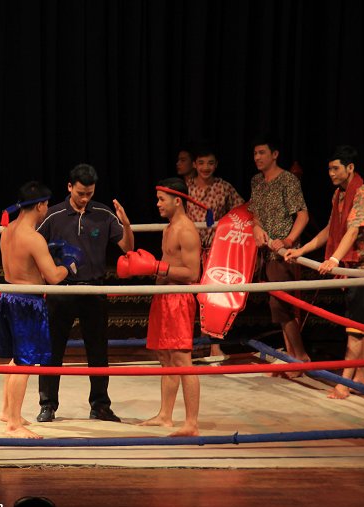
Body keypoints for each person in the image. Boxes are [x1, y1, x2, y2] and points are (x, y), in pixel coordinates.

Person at [284, 145, 364, 398]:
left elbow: (352, 230)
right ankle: (361, 379)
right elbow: (331, 229)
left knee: (355, 327)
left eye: (335, 168)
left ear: (350, 168)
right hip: (352, 269)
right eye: (329, 168)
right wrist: (302, 250)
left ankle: (344, 383)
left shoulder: (362, 193)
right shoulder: (339, 195)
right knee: (362, 326)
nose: (331, 173)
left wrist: (334, 258)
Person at [36, 164, 134, 423]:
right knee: (52, 351)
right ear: (69, 187)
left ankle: (100, 405)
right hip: (61, 291)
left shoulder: (103, 213)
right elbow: (33, 246)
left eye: (89, 193)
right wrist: (47, 273)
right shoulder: (53, 215)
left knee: (98, 351)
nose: (84, 198)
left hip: (94, 289)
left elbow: (128, 248)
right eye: (80, 193)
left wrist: (125, 222)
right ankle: (48, 405)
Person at [118, 177, 202, 436]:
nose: (157, 204)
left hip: (178, 299)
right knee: (165, 358)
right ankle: (165, 416)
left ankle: (192, 424)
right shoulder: (169, 228)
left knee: (181, 359)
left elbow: (192, 273)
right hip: (164, 296)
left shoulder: (186, 230)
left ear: (178, 201)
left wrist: (156, 267)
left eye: (161, 199)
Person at [0, 181, 74, 439]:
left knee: (17, 357)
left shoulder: (7, 231)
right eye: (46, 204)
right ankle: (13, 425)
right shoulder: (33, 237)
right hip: (28, 302)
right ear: (40, 205)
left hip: (8, 295)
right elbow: (53, 277)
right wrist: (68, 264)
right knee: (25, 362)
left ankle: (8, 412)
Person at [248, 135, 311, 372]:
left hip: (283, 253)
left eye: (262, 152)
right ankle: (292, 357)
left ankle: (301, 357)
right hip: (265, 253)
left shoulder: (288, 180)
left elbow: (302, 215)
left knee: (282, 306)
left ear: (274, 154)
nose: (257, 158)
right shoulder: (256, 181)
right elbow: (255, 213)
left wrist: (288, 240)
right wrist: (257, 228)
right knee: (277, 306)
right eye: (255, 153)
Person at [185, 145, 245, 358]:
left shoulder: (224, 187)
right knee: (189, 297)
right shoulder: (186, 186)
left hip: (216, 252)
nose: (205, 167)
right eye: (201, 163)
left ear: (216, 164)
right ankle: (188, 343)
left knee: (213, 298)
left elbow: (242, 209)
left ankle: (214, 345)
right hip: (190, 251)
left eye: (210, 163)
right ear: (194, 164)